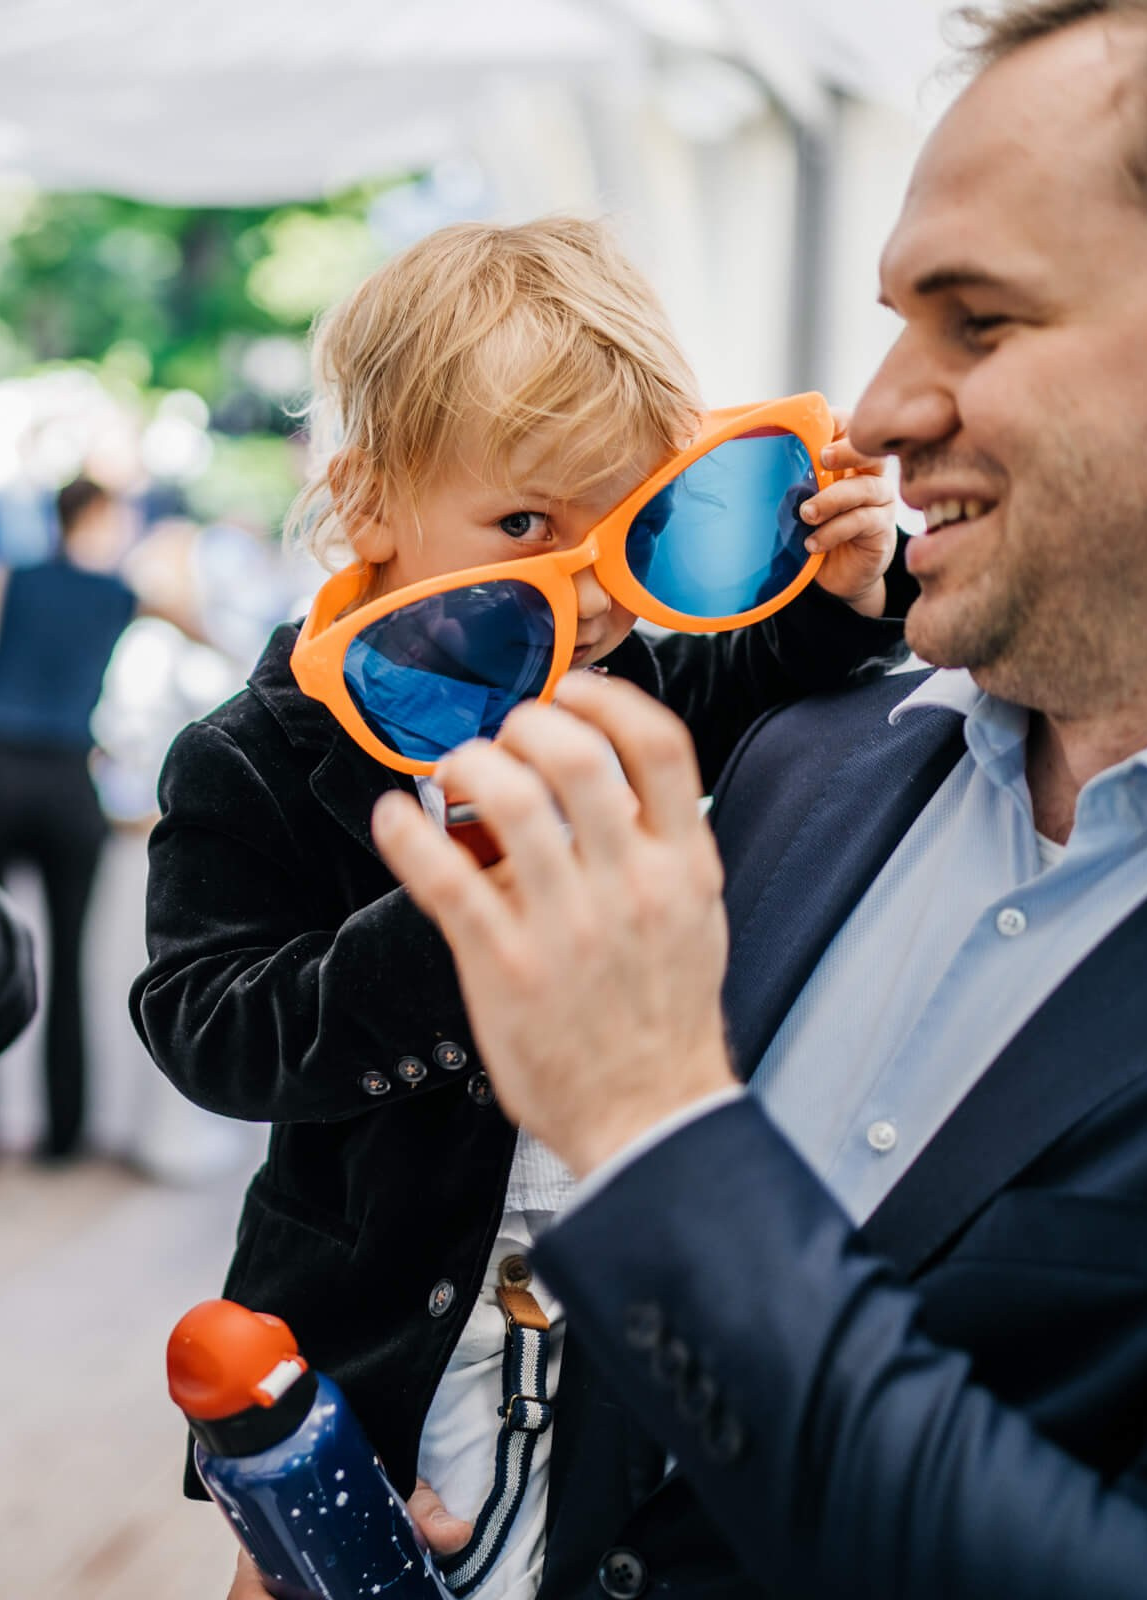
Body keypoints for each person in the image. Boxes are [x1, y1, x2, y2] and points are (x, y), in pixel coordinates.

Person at [361, 4, 1147, 1596]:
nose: (875, 410)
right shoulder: (801, 766)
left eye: (981, 323)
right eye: (896, 320)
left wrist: (653, 1123)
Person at [137, 217, 909, 1599]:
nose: (590, 594)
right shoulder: (250, 755)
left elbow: (755, 683)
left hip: (605, 1346)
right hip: (374, 1353)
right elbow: (207, 1026)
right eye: (524, 527)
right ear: (367, 502)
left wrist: (854, 595)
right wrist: (454, 919)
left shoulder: (623, 683)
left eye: (629, 532)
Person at [0, 477, 185, 1176]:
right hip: (64, 781)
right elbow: (200, 624)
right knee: (71, 962)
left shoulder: (10, 578)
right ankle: (63, 1136)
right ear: (101, 518)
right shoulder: (121, 592)